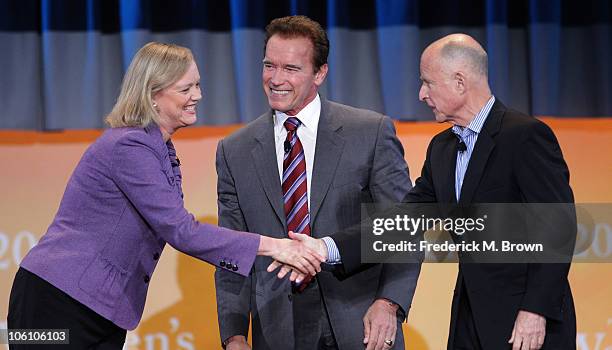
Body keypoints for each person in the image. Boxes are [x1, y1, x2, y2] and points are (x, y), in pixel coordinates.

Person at [7, 42, 323, 349]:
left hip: (101, 310)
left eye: (197, 85)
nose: (197, 96)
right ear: (152, 95)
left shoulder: (158, 148)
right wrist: (274, 246)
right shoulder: (129, 146)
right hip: (54, 303)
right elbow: (181, 231)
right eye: (185, 89)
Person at [307, 34, 577, 350]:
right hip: (469, 321)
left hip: (527, 324)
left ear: (460, 82)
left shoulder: (524, 136)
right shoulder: (442, 148)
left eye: (428, 83)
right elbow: (404, 221)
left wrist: (535, 310)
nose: (421, 94)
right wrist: (326, 248)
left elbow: (558, 227)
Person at [214, 15, 421, 350]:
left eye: (291, 68)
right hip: (278, 329)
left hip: (363, 324)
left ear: (319, 73)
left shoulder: (369, 132)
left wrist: (389, 303)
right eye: (269, 65)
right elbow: (232, 253)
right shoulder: (234, 151)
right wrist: (234, 335)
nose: (276, 79)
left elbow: (403, 228)